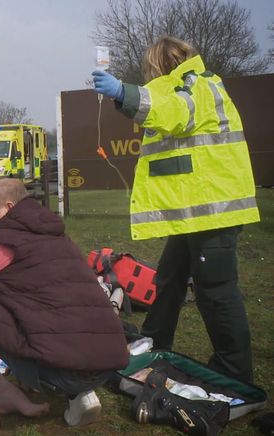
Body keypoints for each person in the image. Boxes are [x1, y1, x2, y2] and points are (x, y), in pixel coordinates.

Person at [92, 36, 259, 382]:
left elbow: (173, 113)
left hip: (216, 212)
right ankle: (154, 344)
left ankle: (235, 372)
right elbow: (164, 108)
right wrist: (126, 98)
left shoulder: (201, 85)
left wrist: (125, 91)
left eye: (150, 68)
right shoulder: (181, 89)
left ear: (162, 64)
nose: (148, 74)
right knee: (168, 280)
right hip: (195, 215)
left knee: (215, 291)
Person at [0, 179, 128, 433]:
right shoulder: (61, 241)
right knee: (51, 315)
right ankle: (80, 395)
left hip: (61, 373)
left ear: (7, 208)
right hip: (104, 367)